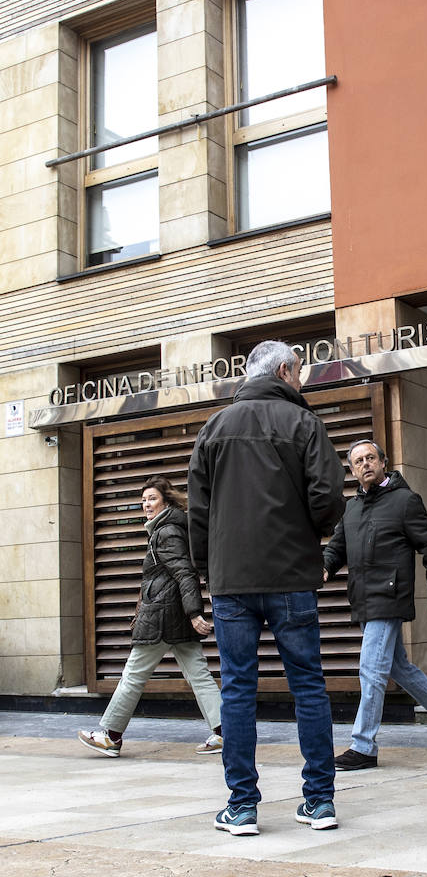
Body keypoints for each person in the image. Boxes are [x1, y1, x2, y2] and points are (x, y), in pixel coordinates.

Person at [188, 340, 345, 837]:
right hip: (292, 577)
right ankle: (319, 802)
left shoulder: (215, 427)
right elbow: (328, 498)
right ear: (283, 371)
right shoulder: (305, 424)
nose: (301, 381)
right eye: (299, 372)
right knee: (308, 685)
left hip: (232, 581)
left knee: (237, 688)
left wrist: (206, 569)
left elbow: (198, 510)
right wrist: (306, 536)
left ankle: (242, 807)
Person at [324, 439, 427, 770]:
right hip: (363, 598)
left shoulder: (405, 501)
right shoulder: (351, 507)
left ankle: (363, 746)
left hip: (389, 598)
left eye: (370, 458)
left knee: (371, 669)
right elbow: (336, 546)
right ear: (353, 470)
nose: (365, 464)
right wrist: (326, 565)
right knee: (398, 667)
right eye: (358, 461)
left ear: (383, 462)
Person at [78, 476, 221, 758]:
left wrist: (194, 612)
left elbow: (184, 572)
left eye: (152, 498)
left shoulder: (166, 531)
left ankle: (110, 735)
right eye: (143, 500)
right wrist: (189, 613)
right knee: (199, 675)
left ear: (166, 501)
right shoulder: (170, 528)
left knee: (133, 675)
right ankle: (224, 732)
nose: (146, 504)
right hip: (174, 615)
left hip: (162, 618)